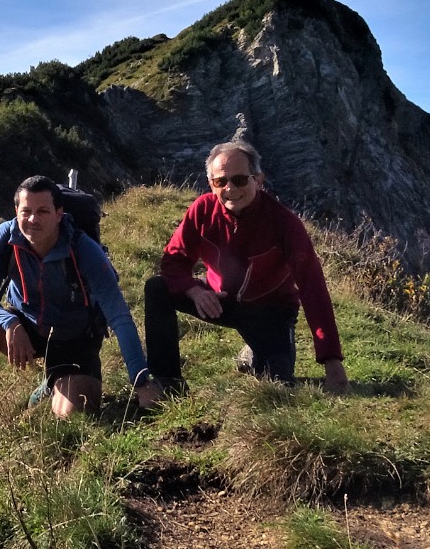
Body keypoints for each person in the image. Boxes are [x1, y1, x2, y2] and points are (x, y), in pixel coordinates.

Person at [138, 139, 350, 409]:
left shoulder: (284, 222)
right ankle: (168, 381)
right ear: (210, 183)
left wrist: (332, 362)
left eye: (239, 180)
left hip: (271, 312)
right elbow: (173, 261)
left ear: (258, 180)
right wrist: (193, 289)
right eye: (220, 181)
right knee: (157, 288)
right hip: (220, 300)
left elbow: (312, 287)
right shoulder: (202, 210)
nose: (230, 189)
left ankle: (256, 353)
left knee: (276, 387)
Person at [0, 175, 148, 454]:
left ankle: (51, 386)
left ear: (60, 214)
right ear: (16, 213)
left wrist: (141, 383)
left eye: (43, 211)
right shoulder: (5, 238)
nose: (34, 219)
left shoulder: (83, 250)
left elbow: (119, 317)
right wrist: (10, 323)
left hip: (76, 339)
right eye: (26, 211)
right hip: (29, 327)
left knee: (70, 417)